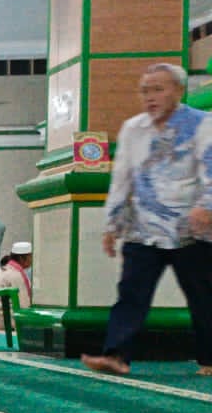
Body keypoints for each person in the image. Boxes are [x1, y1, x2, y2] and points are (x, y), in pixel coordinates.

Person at [81, 64, 212, 377]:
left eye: (158, 89)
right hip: (144, 228)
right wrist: (112, 226)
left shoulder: (202, 124)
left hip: (191, 229)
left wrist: (206, 206)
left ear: (178, 91)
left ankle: (209, 358)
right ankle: (116, 355)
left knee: (204, 297)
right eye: (145, 91)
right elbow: (121, 179)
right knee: (131, 294)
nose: (150, 97)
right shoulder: (133, 129)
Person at [0, 242, 33, 334]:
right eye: (31, 256)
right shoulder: (16, 275)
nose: (32, 260)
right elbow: (24, 305)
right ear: (22, 258)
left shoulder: (7, 269)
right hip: (7, 320)